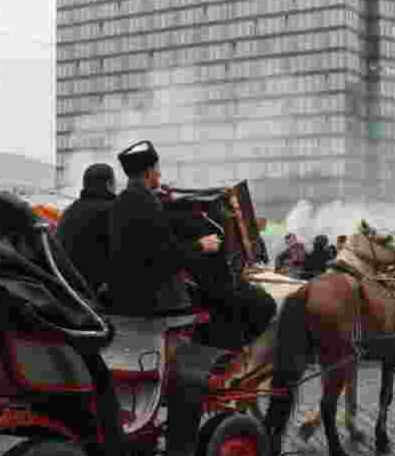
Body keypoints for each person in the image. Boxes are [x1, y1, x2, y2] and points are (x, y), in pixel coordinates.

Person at [107, 140, 275, 349]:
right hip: (152, 299)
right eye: (157, 170)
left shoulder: (122, 201)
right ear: (149, 173)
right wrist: (202, 245)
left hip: (128, 293)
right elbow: (164, 258)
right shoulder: (147, 203)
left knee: (213, 293)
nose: (160, 174)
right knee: (256, 304)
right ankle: (220, 354)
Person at [56, 163, 117, 295]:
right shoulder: (115, 210)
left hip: (67, 290)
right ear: (109, 184)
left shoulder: (68, 212)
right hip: (99, 294)